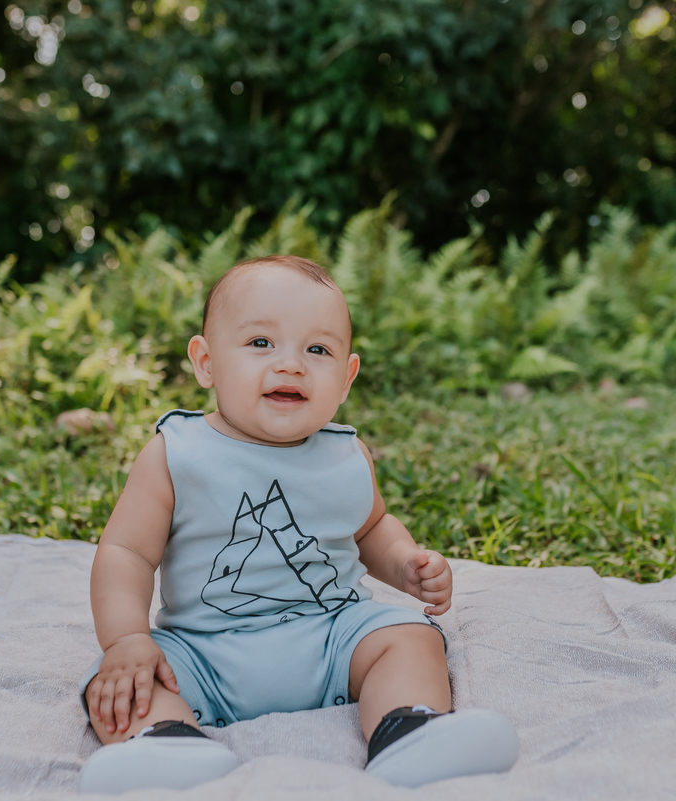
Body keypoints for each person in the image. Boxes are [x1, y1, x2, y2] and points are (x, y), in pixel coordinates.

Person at [77, 255, 518, 793]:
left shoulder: (346, 454)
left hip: (332, 638)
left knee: (410, 636)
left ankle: (409, 729)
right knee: (121, 678)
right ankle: (164, 743)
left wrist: (404, 561)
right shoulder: (177, 453)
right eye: (261, 343)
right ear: (206, 361)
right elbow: (127, 552)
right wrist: (125, 639)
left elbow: (371, 527)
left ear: (347, 376)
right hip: (204, 650)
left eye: (318, 350)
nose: (291, 365)